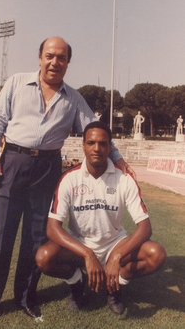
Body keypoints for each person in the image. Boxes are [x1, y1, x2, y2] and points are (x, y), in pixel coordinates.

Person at [0, 37, 134, 327]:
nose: (54, 62)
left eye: (61, 58)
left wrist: (119, 158)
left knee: (35, 240)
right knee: (1, 238)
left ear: (67, 63)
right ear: (39, 57)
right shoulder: (16, 83)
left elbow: (93, 129)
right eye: (50, 55)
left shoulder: (73, 98)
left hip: (47, 167)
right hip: (13, 162)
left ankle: (25, 298)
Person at [36, 121, 166, 316]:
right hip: (80, 245)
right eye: (91, 143)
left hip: (115, 243)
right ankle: (77, 282)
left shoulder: (124, 179)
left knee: (156, 254)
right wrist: (88, 254)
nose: (97, 148)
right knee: (44, 257)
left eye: (103, 143)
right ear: (83, 146)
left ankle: (114, 287)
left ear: (110, 147)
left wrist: (116, 255)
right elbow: (52, 228)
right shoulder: (69, 179)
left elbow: (145, 228)